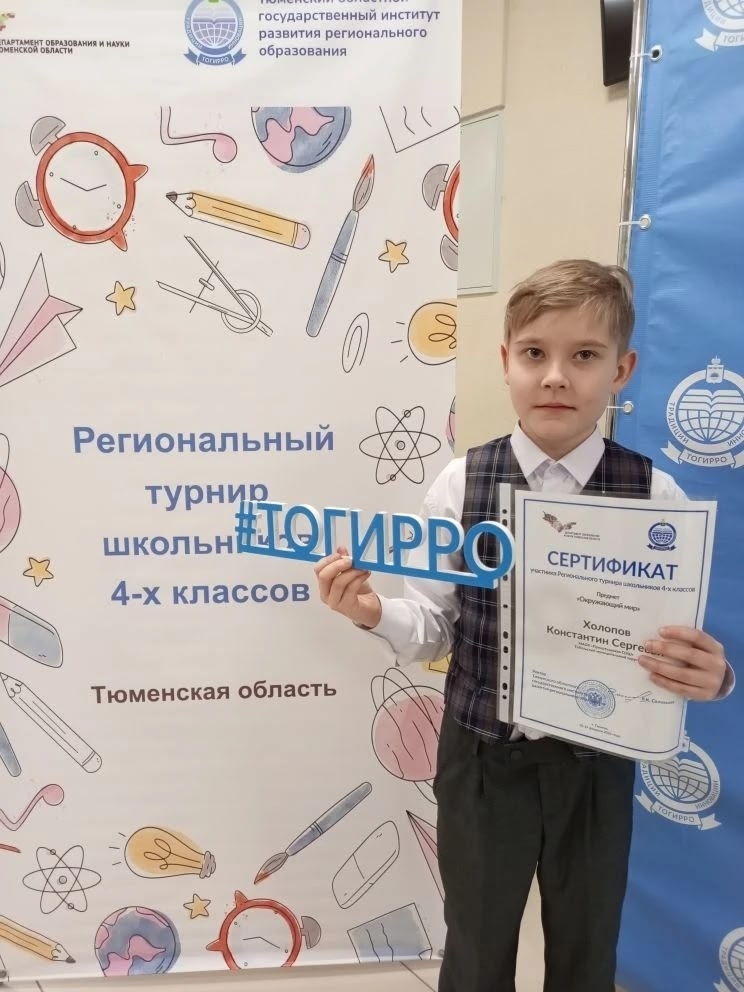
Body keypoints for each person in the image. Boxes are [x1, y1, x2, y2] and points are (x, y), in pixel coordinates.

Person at [313, 259, 734, 992]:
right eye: (535, 353)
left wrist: (714, 676)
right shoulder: (460, 484)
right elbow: (436, 625)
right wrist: (372, 612)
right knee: (476, 946)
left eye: (585, 356)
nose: (556, 377)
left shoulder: (655, 495)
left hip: (597, 767)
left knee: (587, 945)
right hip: (482, 762)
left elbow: (675, 650)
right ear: (506, 361)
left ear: (622, 370)